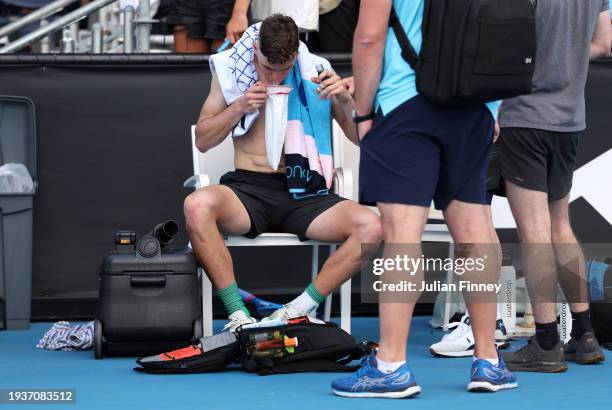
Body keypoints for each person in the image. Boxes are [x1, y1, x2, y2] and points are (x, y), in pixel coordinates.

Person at [331, 0, 517, 398]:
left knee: (402, 234)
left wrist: (362, 113)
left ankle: (392, 365)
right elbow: (507, 31)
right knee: (476, 229)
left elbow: (368, 38)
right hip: (476, 105)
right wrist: (492, 107)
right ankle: (488, 359)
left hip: (406, 104)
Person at [184, 14, 382, 332]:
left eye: (284, 68)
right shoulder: (231, 71)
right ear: (254, 53)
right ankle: (238, 315)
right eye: (267, 67)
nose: (276, 76)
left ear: (295, 56)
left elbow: (361, 138)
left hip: (306, 191)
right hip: (249, 189)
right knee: (196, 205)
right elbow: (203, 140)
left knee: (372, 228)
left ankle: (296, 310)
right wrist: (238, 108)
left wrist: (346, 99)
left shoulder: (316, 71)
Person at [497, 0, 611, 373]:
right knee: (559, 225)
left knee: (535, 232)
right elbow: (605, 43)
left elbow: (499, 45)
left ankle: (546, 340)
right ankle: (584, 334)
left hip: (525, 117)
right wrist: (567, 61)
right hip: (569, 119)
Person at [167, 0, 250, 53]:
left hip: (227, 6)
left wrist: (239, 13)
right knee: (188, 71)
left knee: (227, 72)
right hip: (185, 5)